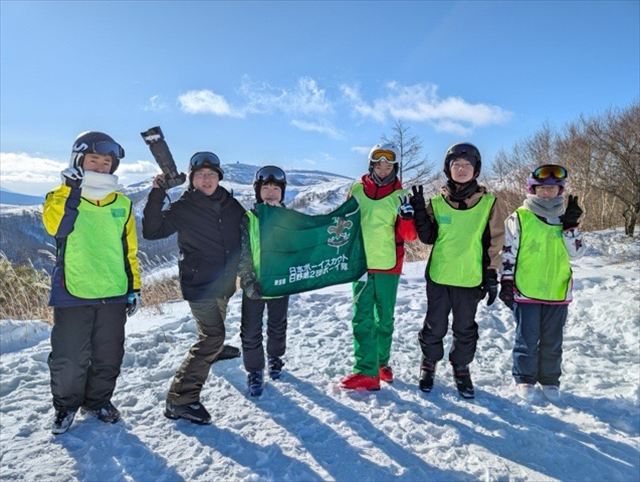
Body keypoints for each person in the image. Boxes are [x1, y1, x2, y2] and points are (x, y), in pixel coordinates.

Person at [43, 131, 141, 434]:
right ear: (78, 160)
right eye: (93, 159)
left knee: (109, 354)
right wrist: (69, 190)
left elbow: (129, 250)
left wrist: (133, 286)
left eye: (106, 161)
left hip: (113, 290)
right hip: (73, 289)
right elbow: (55, 227)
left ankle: (98, 401)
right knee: (69, 356)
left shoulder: (122, 204)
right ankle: (65, 406)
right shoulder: (59, 196)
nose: (99, 166)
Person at [142, 151, 245, 424]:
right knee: (211, 336)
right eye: (201, 175)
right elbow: (152, 230)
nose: (207, 179)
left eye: (211, 174)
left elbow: (249, 230)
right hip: (199, 283)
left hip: (224, 281)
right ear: (193, 180)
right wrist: (156, 193)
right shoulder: (184, 207)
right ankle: (180, 400)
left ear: (219, 177)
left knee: (217, 324)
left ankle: (215, 349)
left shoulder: (230, 204)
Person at [411, 142, 507, 398]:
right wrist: (420, 212)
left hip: (470, 278)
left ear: (476, 170)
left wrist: (491, 273)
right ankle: (429, 363)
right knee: (435, 325)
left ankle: (461, 368)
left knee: (465, 328)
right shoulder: (437, 203)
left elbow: (495, 241)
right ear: (448, 170)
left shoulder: (489, 203)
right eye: (456, 165)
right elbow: (428, 237)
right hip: (440, 276)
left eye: (467, 165)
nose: (461, 169)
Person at [499, 164, 585, 402]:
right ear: (532, 190)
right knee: (527, 337)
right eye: (542, 188)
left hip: (557, 290)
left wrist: (571, 228)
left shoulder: (565, 218)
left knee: (552, 340)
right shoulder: (520, 217)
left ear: (560, 190)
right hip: (526, 289)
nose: (547, 193)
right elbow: (508, 252)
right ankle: (524, 378)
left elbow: (577, 254)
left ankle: (549, 379)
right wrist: (506, 281)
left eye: (553, 188)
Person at [340, 143, 417, 391]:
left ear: (394, 166)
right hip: (360, 265)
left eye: (389, 164)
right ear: (371, 164)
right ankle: (365, 370)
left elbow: (408, 236)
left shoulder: (400, 196)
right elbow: (344, 222)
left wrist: (406, 217)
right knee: (362, 317)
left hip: (388, 265)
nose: (383, 168)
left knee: (384, 318)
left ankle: (381, 363)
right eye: (378, 162)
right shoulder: (356, 190)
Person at [238, 165, 290, 397]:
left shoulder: (291, 219)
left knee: (278, 326)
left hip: (280, 284)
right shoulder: (248, 218)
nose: (270, 192)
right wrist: (248, 280)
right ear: (258, 191)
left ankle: (275, 358)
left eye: (275, 188)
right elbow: (242, 252)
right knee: (250, 331)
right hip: (254, 285)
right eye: (265, 187)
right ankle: (255, 371)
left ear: (282, 192)